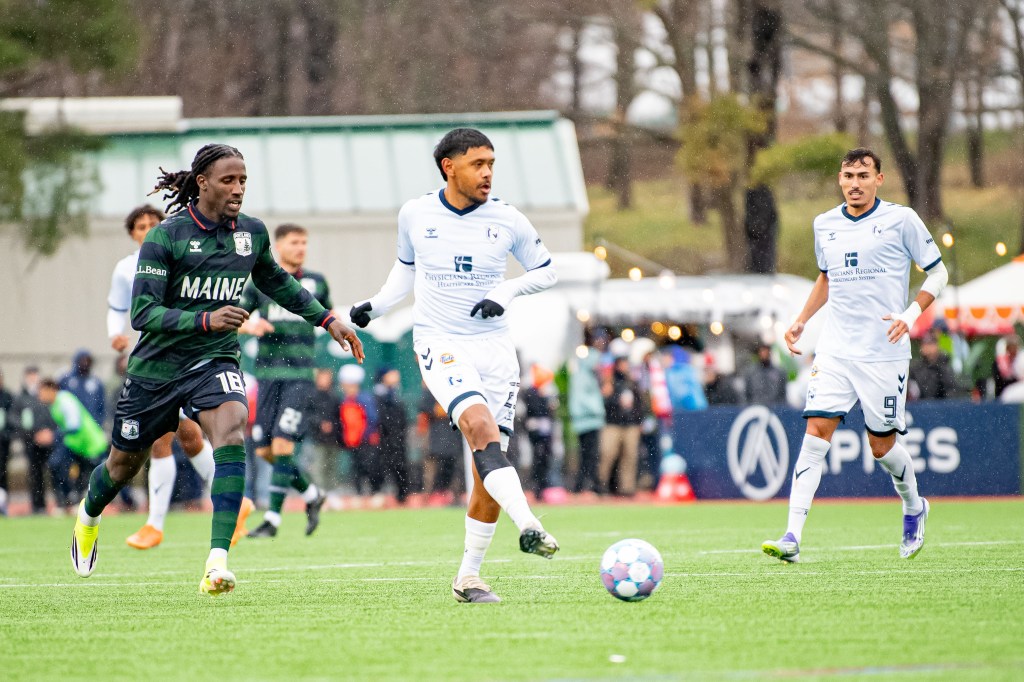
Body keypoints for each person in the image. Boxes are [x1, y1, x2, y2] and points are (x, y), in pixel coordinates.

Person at [69, 143, 364, 596]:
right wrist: (205, 319)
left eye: (243, 180)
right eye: (228, 180)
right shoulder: (166, 236)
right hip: (157, 368)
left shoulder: (251, 233)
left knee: (231, 430)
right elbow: (143, 314)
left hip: (214, 359)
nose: (238, 188)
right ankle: (88, 517)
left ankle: (217, 563)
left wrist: (327, 319)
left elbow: (277, 282)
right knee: (123, 465)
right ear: (202, 182)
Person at [350, 127, 559, 603]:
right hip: (440, 343)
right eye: (477, 164)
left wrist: (505, 290)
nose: (487, 173)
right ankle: (529, 524)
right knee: (480, 429)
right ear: (449, 167)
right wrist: (377, 306)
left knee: (489, 467)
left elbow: (547, 269)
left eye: (492, 164)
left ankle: (469, 577)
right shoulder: (415, 213)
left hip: (496, 351)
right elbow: (406, 269)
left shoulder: (507, 218)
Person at [762, 148, 947, 563]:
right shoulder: (824, 224)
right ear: (840, 179)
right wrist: (802, 320)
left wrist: (911, 314)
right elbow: (827, 278)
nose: (855, 183)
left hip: (884, 353)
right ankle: (792, 536)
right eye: (848, 175)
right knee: (816, 434)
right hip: (836, 350)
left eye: (863, 175)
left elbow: (939, 272)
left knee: (881, 447)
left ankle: (914, 505)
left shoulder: (902, 219)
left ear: (879, 178)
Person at [108, 203, 223, 550]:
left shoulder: (181, 257)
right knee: (187, 435)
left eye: (153, 223)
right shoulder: (126, 268)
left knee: (168, 436)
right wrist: (115, 334)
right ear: (132, 234)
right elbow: (117, 308)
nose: (148, 230)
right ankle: (235, 500)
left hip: (188, 354)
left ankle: (155, 524)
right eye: (141, 226)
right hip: (156, 357)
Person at [239, 223, 332, 539]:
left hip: (299, 377)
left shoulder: (316, 282)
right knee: (265, 451)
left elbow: (329, 317)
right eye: (294, 242)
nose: (301, 248)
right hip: (267, 377)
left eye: (304, 242)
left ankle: (272, 520)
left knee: (281, 445)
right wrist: (250, 325)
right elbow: (235, 317)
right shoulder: (261, 283)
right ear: (278, 247)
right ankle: (311, 495)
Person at [39, 379, 109, 511]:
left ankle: (77, 502)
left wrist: (53, 435)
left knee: (90, 476)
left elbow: (74, 425)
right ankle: (68, 501)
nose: (40, 395)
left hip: (91, 444)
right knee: (56, 464)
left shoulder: (65, 400)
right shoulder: (54, 404)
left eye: (42, 392)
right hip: (77, 444)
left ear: (51, 389)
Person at [598, 354, 644, 497]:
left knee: (630, 457)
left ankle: (627, 488)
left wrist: (639, 420)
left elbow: (639, 403)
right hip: (612, 423)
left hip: (630, 424)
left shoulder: (632, 382)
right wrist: (615, 399)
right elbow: (603, 403)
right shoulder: (609, 381)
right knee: (607, 454)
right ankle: (601, 485)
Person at [14, 366, 55, 514]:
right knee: (35, 474)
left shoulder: (44, 395)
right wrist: (32, 433)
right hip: (30, 442)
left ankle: (58, 502)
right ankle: (37, 505)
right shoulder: (20, 398)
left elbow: (52, 416)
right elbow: (15, 418)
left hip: (48, 441)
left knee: (53, 470)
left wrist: (49, 432)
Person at [336, 364, 379, 499]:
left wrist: (363, 436)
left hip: (365, 441)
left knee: (370, 468)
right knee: (356, 470)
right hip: (352, 441)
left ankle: (373, 493)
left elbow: (372, 419)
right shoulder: (345, 400)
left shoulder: (364, 399)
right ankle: (359, 494)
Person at [417, 388, 462, 503]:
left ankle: (449, 494)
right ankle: (429, 496)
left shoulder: (454, 389)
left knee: (452, 466)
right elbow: (428, 410)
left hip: (452, 436)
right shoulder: (431, 390)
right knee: (431, 468)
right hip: (434, 437)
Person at [374, 367, 411, 504]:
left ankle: (401, 496)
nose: (396, 375)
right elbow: (380, 418)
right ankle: (379, 495)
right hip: (384, 439)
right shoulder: (379, 395)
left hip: (398, 438)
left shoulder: (396, 393)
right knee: (382, 467)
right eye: (391, 373)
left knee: (400, 467)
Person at [521, 365, 557, 499]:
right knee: (537, 458)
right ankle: (535, 488)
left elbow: (550, 412)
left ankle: (543, 487)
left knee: (545, 458)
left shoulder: (546, 394)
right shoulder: (531, 393)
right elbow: (534, 410)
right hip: (536, 433)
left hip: (546, 432)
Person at [308, 368, 342, 493]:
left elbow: (338, 416)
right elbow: (308, 415)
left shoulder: (334, 396)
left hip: (333, 438)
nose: (325, 380)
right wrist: (320, 424)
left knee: (332, 466)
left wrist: (333, 427)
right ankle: (319, 491)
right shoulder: (312, 395)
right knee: (318, 465)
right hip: (317, 439)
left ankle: (331, 491)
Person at [909, 332, 963, 400]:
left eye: (931, 344)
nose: (928, 348)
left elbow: (951, 390)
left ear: (937, 346)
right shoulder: (916, 367)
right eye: (925, 344)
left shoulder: (944, 366)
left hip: (942, 404)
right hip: (921, 404)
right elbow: (912, 390)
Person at [59, 350, 106, 427]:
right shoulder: (66, 380)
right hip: (71, 425)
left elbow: (101, 405)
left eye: (88, 360)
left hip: (90, 425)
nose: (85, 363)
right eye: (82, 360)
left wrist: (98, 422)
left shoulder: (96, 382)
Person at [743, 342, 788, 406]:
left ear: (770, 353)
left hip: (774, 408)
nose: (764, 354)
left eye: (766, 352)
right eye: (762, 352)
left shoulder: (779, 372)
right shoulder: (750, 372)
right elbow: (746, 394)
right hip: (756, 407)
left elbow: (783, 393)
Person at [0, 369, 12, 515]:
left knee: (2, 473)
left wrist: (6, 435)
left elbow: (12, 417)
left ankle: (3, 505)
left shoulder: (7, 396)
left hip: (3, 441)